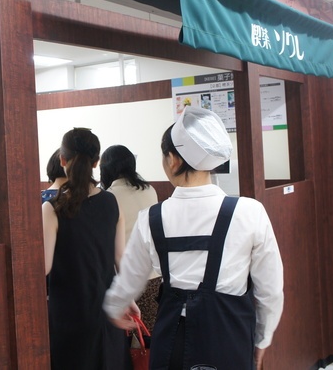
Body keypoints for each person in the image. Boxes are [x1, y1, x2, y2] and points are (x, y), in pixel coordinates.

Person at [103, 106, 284, 370]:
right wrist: (262, 338)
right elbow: (270, 290)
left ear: (173, 160)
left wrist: (115, 307)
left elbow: (129, 280)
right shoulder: (250, 212)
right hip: (230, 341)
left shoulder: (151, 218)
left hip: (170, 345)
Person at [42, 128, 127, 370]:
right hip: (106, 308)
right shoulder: (112, 201)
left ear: (62, 160)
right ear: (96, 162)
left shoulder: (52, 208)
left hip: (68, 313)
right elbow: (121, 259)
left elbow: (44, 266)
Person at [100, 144, 159, 331]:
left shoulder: (108, 197)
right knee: (149, 334)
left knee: (127, 333)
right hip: (154, 275)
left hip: (125, 277)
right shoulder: (150, 190)